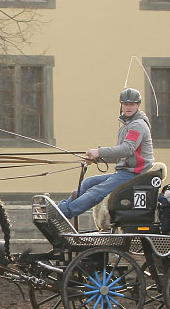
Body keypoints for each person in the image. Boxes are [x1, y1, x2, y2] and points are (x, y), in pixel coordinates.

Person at [58, 88, 154, 218]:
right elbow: (122, 154)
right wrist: (96, 158)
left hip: (134, 174)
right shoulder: (126, 125)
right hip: (125, 172)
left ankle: (64, 213)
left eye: (132, 104)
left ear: (138, 105)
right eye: (126, 104)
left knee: (96, 191)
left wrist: (99, 152)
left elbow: (127, 149)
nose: (128, 107)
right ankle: (61, 209)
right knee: (88, 183)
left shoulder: (138, 125)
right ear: (121, 105)